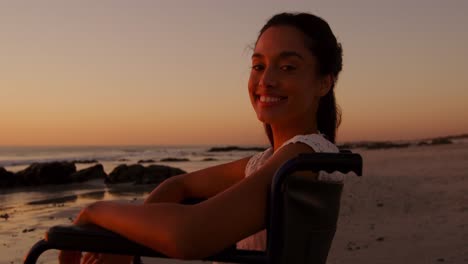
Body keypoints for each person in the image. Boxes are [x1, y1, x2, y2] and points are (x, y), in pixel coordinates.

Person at [59, 12, 344, 264]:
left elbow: (190, 235)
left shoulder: (303, 157)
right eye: (258, 66)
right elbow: (179, 185)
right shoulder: (271, 160)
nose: (265, 80)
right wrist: (123, 249)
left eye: (287, 67)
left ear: (323, 82)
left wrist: (96, 210)